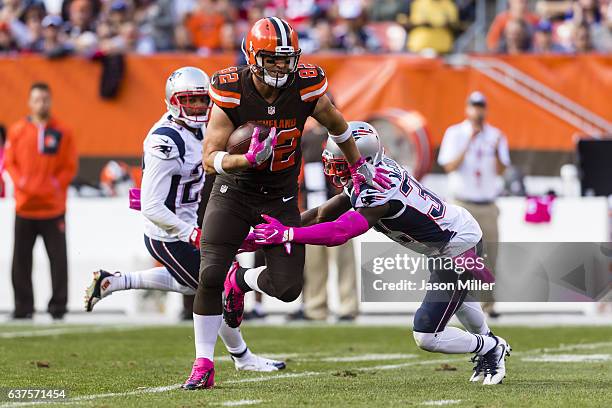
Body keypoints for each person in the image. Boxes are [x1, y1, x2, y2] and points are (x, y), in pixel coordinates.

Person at [185, 17, 391, 389]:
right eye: (273, 59)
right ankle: (203, 363)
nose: (282, 66)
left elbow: (338, 125)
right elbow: (210, 157)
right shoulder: (231, 88)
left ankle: (243, 280)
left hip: (279, 196)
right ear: (253, 56)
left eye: (287, 58)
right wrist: (246, 160)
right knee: (210, 273)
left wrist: (358, 164)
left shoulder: (306, 84)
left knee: (288, 288)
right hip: (233, 190)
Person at [253, 121, 511, 385]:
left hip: (459, 244)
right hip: (449, 239)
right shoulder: (369, 173)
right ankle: (490, 345)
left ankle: (489, 347)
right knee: (459, 304)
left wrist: (288, 235)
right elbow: (321, 213)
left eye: (342, 163)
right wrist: (278, 229)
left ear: (363, 158)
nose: (335, 169)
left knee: (427, 333)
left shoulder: (378, 190)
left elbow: (339, 232)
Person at [84, 66, 285, 373]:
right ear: (172, 102)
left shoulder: (201, 129)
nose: (197, 107)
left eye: (202, 100)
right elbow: (151, 206)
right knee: (214, 286)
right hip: (167, 232)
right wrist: (188, 232)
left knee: (197, 284)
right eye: (189, 100)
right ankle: (242, 357)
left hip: (189, 221)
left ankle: (115, 281)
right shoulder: (165, 141)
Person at [4, 82, 78, 320]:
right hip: (25, 207)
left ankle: (58, 307)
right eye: (36, 99)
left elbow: (69, 166)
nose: (41, 104)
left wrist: (55, 185)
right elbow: (10, 162)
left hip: (53, 208)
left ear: (51, 101)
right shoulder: (17, 131)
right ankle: (23, 307)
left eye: (45, 99)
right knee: (20, 261)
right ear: (29, 102)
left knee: (58, 261)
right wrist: (22, 183)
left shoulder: (63, 131)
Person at [438, 92, 510, 317]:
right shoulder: (455, 133)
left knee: (489, 256)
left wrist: (496, 151)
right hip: (462, 203)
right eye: (474, 106)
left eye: (481, 107)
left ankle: (488, 305)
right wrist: (469, 142)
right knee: (459, 255)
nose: (478, 111)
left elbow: (502, 170)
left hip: (487, 204)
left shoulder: (496, 135)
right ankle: (454, 305)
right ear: (467, 108)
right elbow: (449, 166)